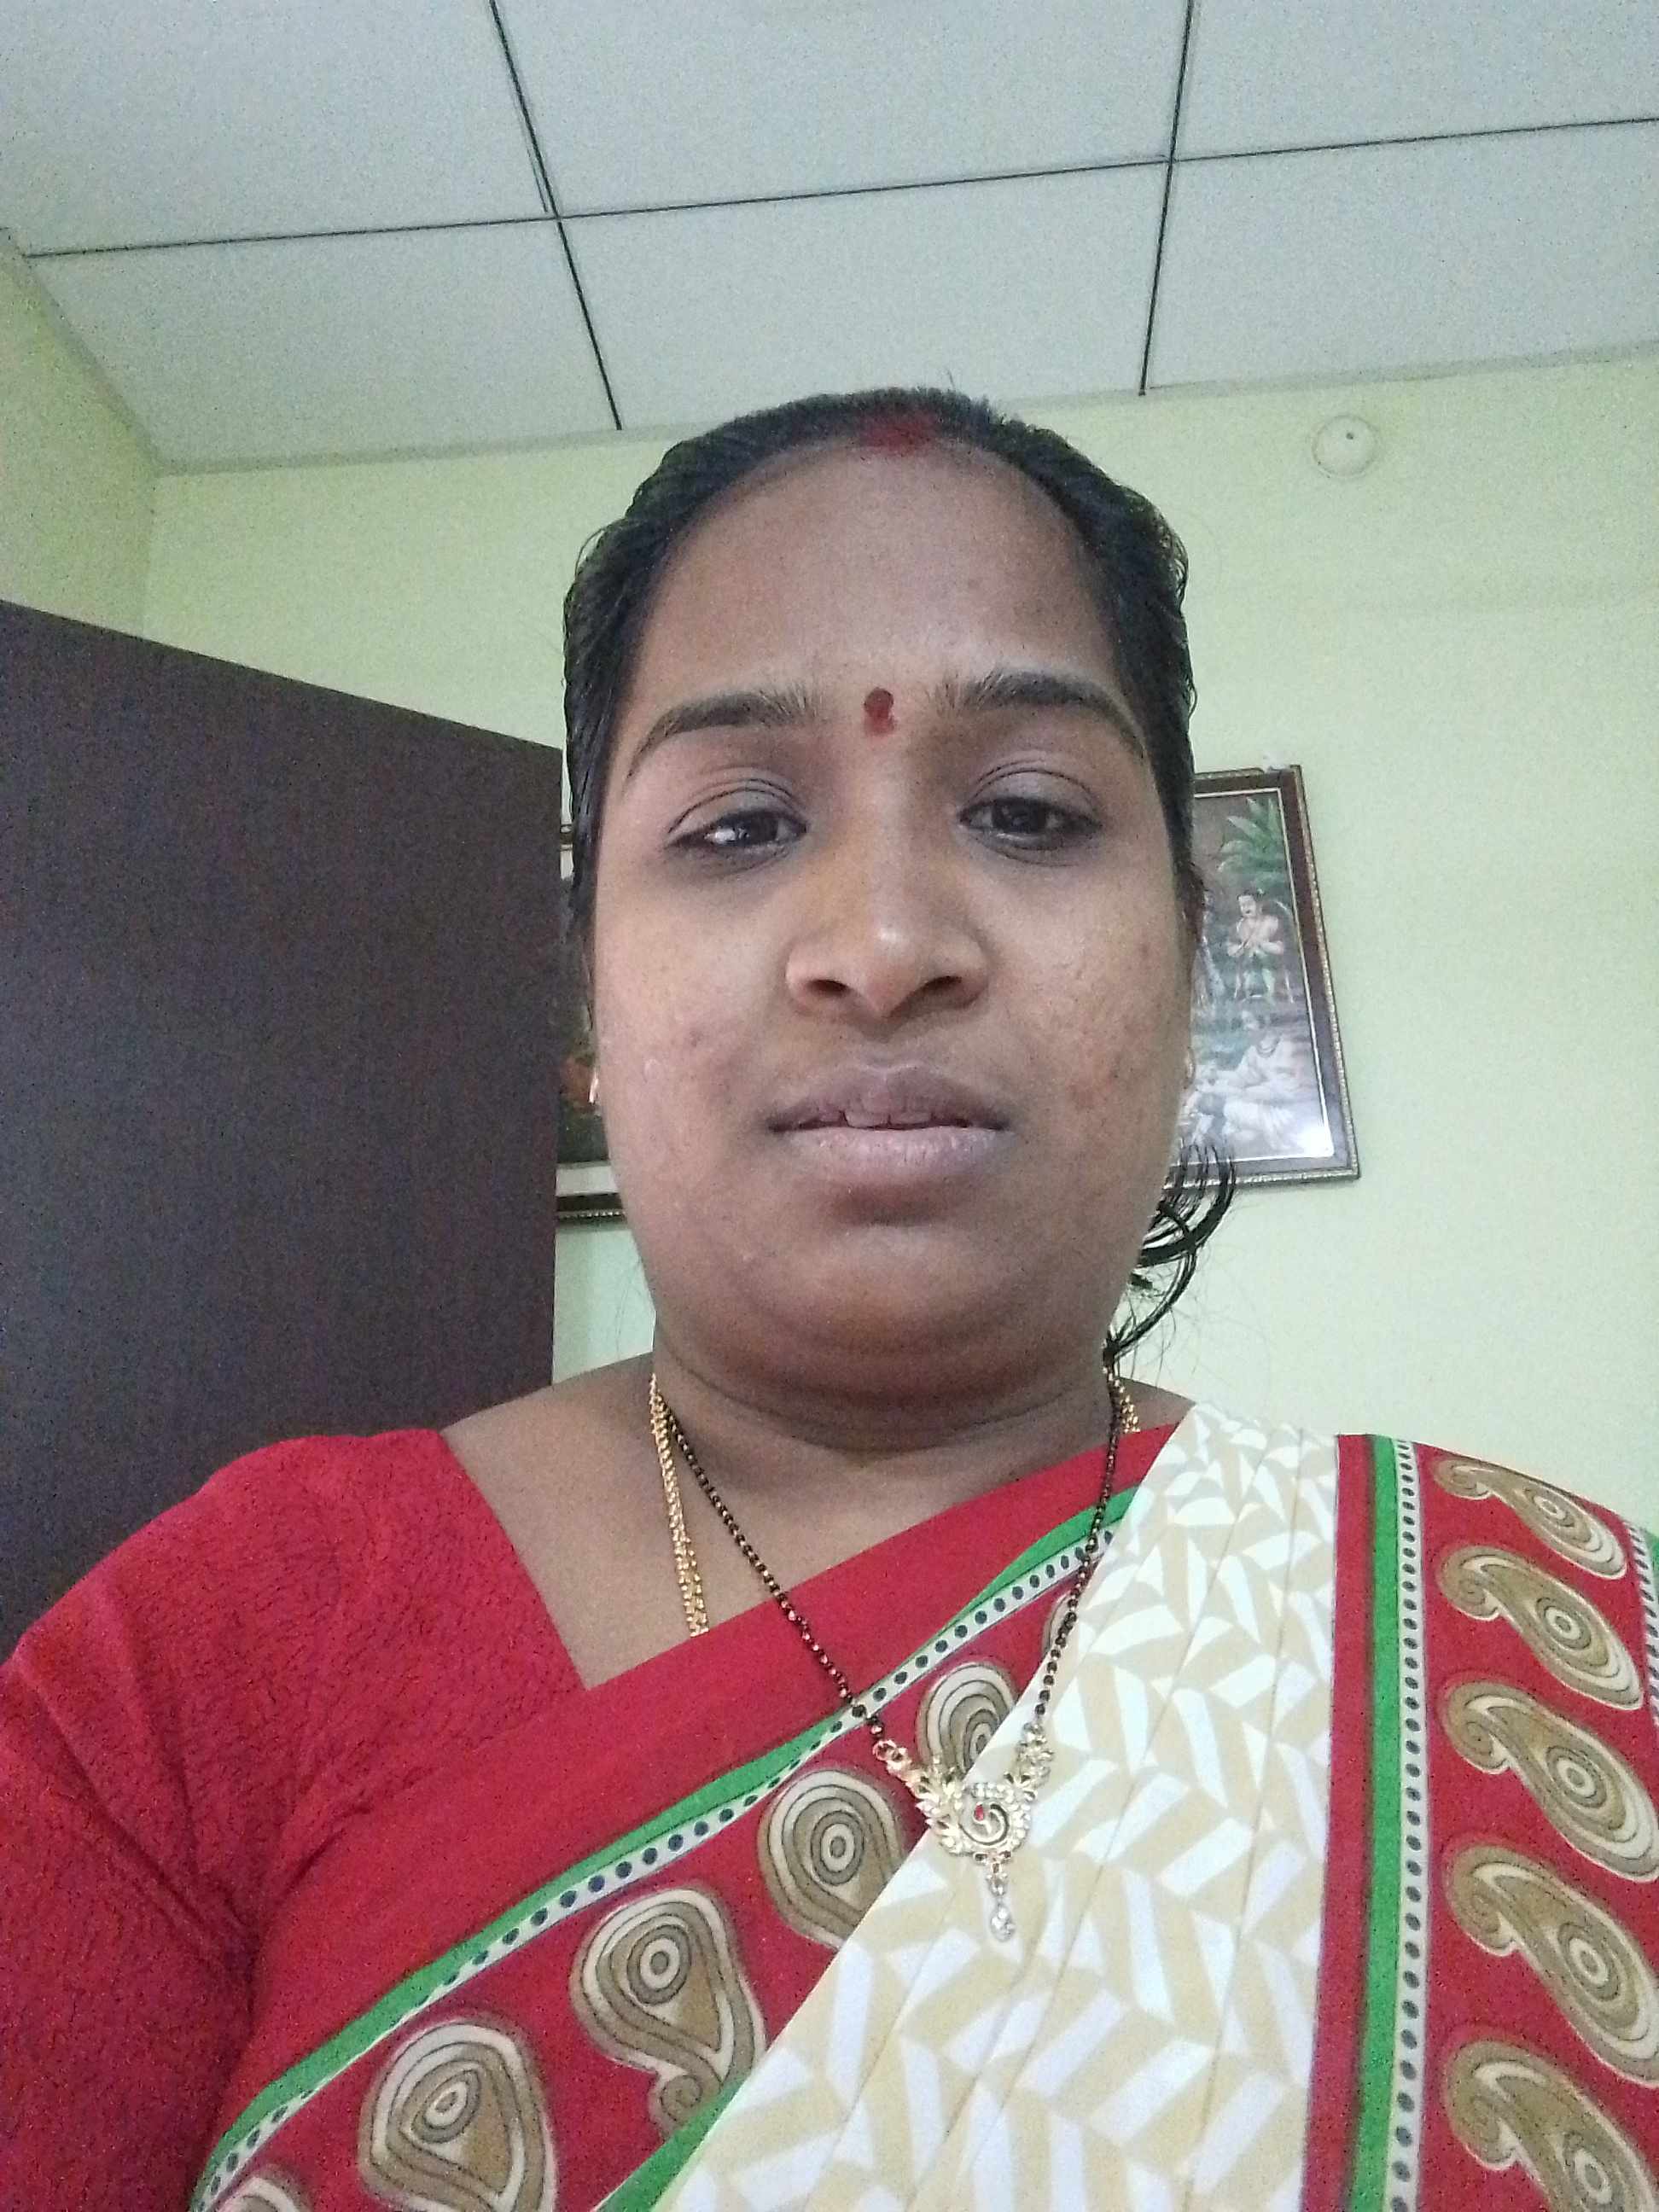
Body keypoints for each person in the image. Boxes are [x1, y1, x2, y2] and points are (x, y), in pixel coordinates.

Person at [4, 387, 1656, 2212]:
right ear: (585, 997)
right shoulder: (209, 1651)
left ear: (1194, 967)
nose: (881, 947)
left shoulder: (1553, 1655)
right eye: (735, 828)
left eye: (1027, 810)